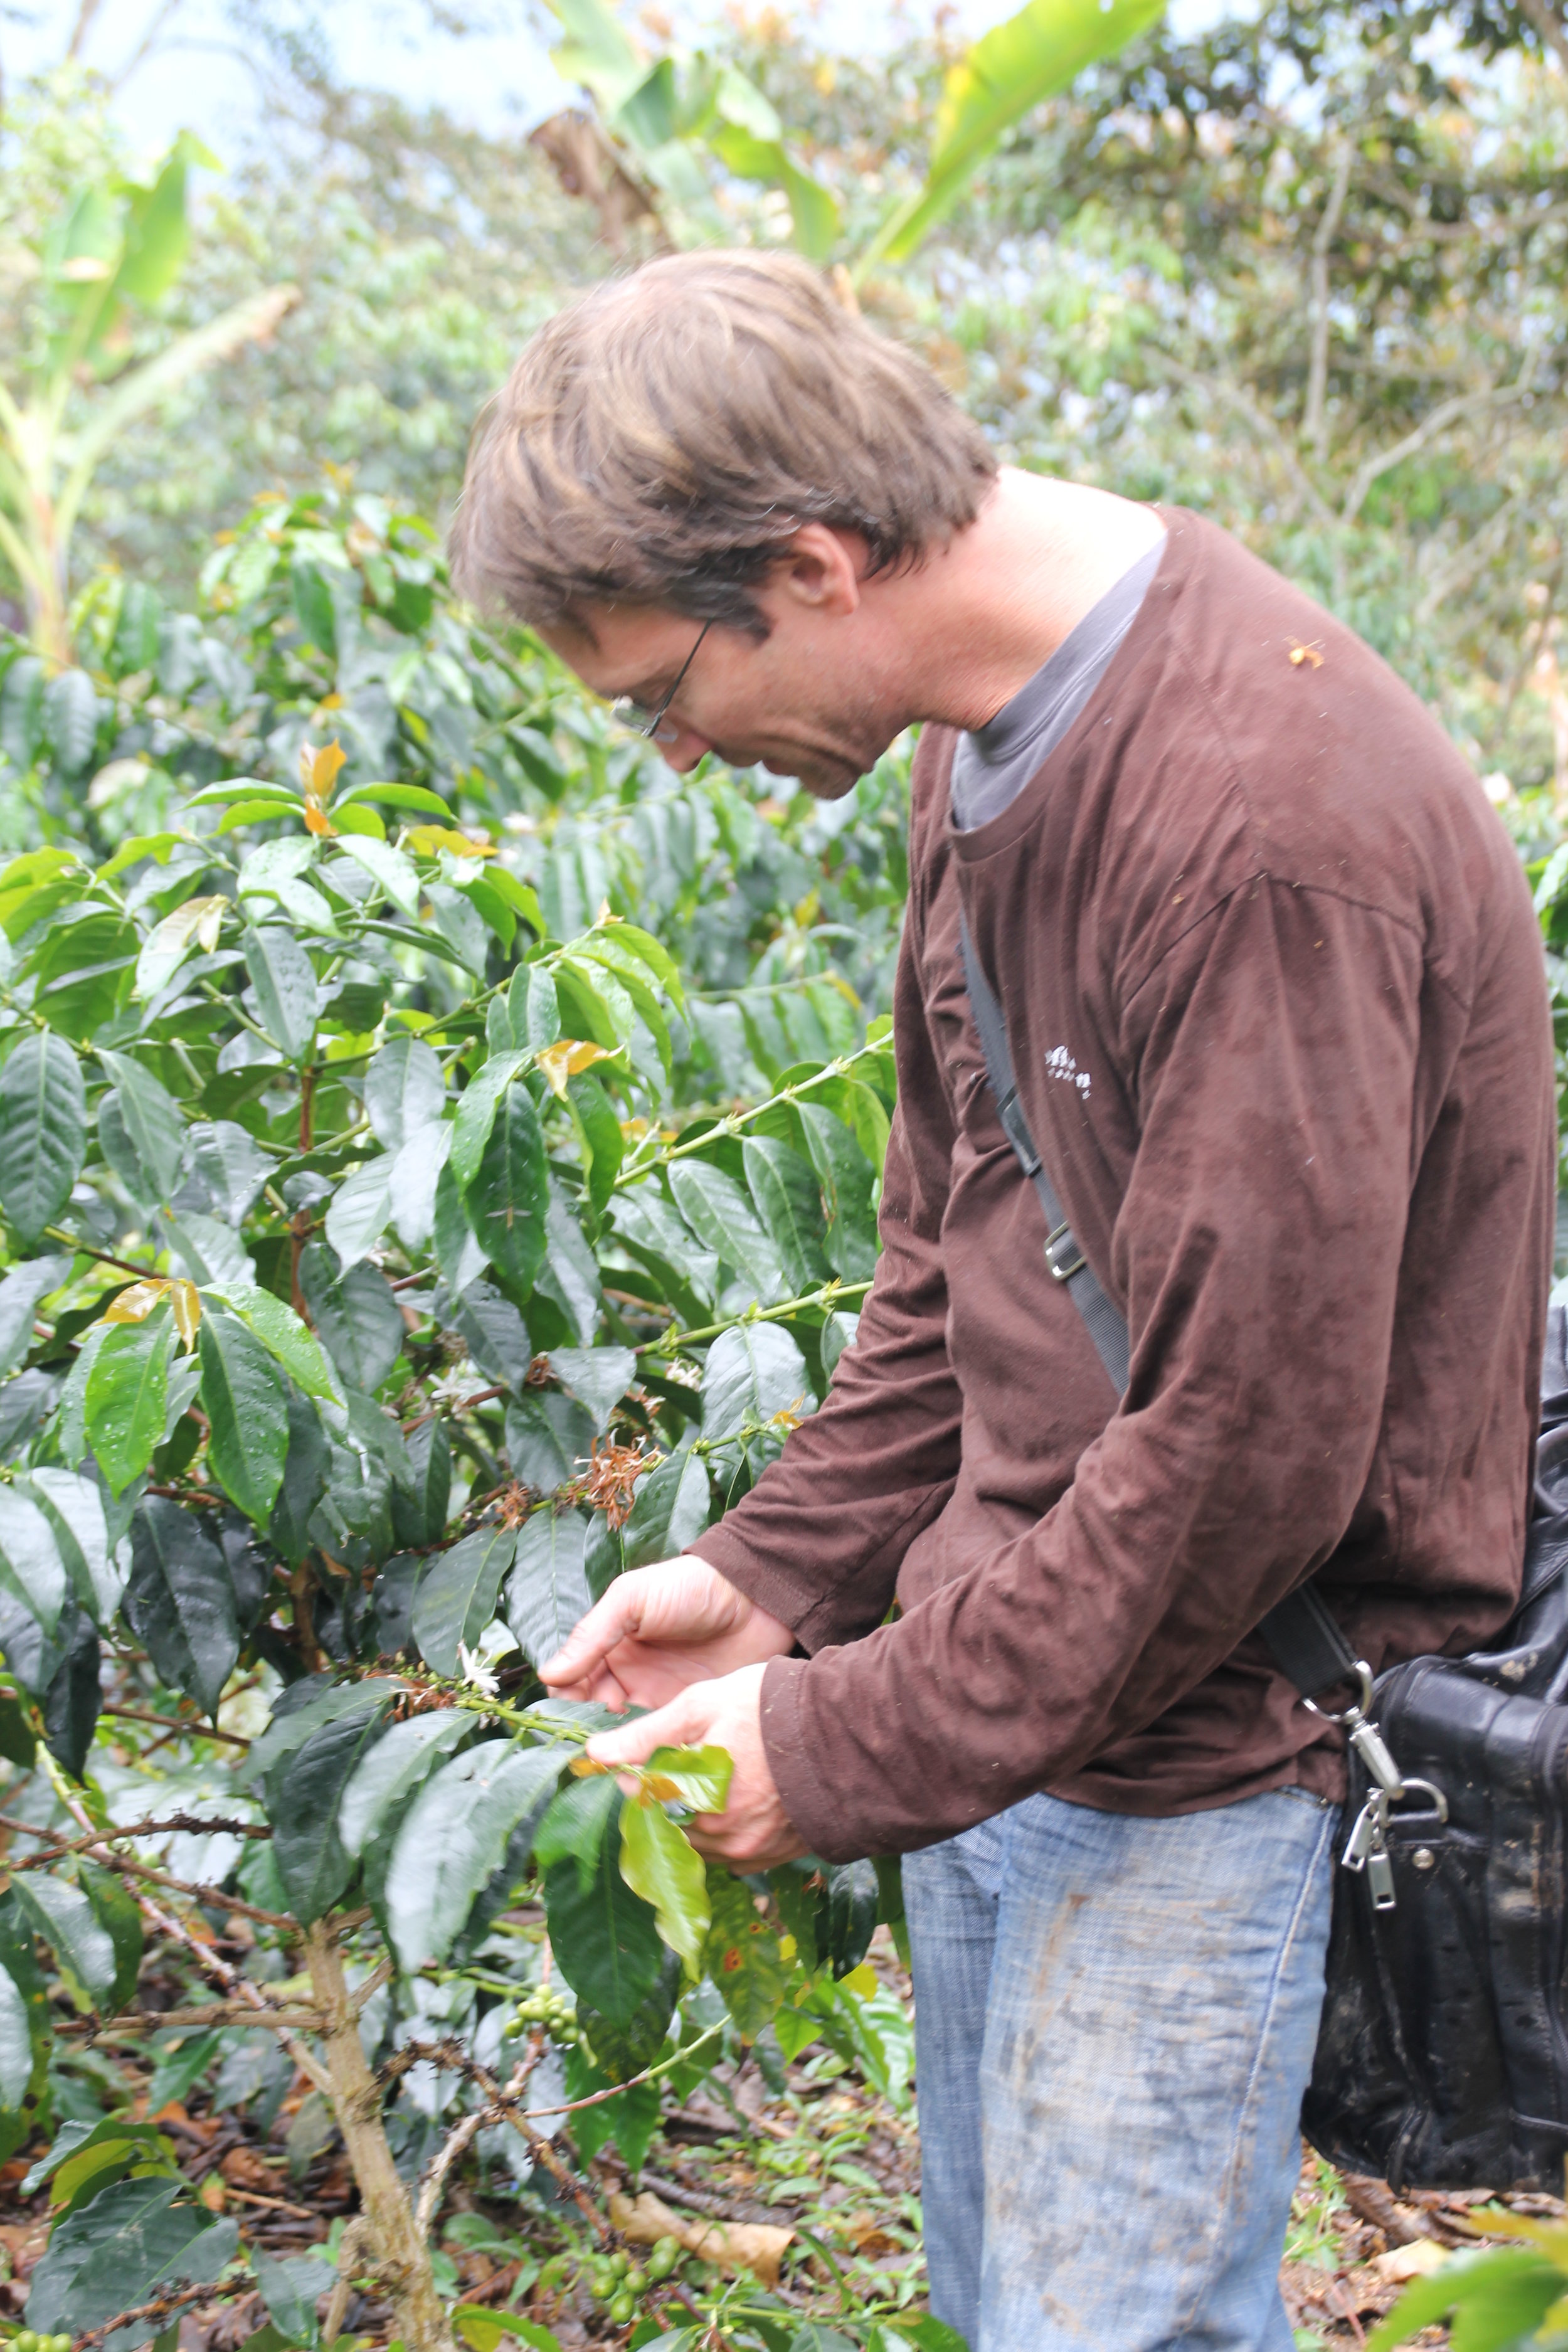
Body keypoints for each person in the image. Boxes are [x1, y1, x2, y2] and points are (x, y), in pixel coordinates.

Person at [450, 250, 1556, 2351]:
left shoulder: (1256, 823)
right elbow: (961, 1242)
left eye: (655, 690)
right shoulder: (986, 744)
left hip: (1204, 1749)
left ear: (810, 559)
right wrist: (778, 1573)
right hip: (1014, 1688)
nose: (672, 753)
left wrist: (849, 1731)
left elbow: (1248, 1461)